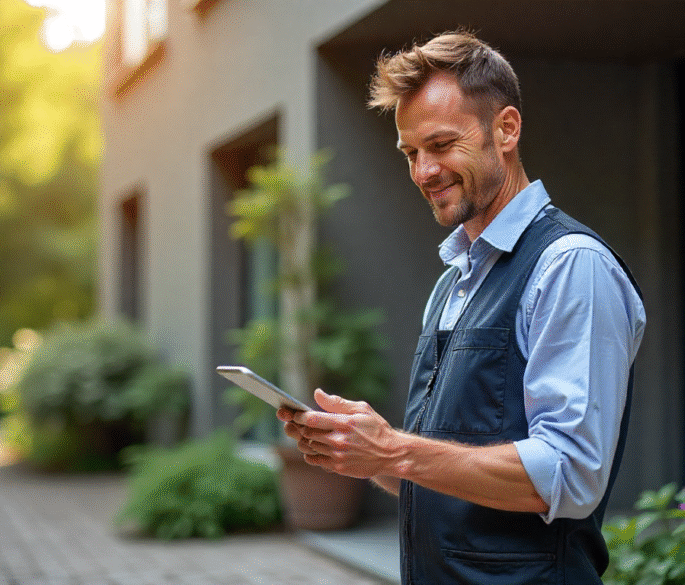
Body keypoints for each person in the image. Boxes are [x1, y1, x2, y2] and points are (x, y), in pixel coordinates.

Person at [277, 31, 646, 584]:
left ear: (506, 129)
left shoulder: (571, 265)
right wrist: (367, 454)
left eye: (442, 144)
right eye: (411, 153)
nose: (424, 171)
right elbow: (448, 478)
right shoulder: (452, 283)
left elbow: (571, 475)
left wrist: (396, 450)